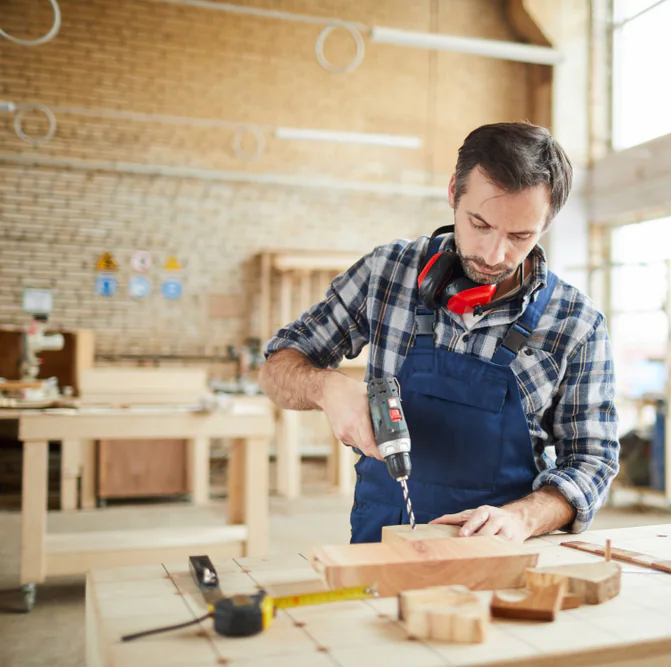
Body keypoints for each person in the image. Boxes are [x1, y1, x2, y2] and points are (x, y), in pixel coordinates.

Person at [258, 121, 619, 544]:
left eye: (520, 236)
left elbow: (593, 461)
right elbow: (275, 369)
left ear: (546, 224)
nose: (493, 254)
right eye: (479, 224)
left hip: (498, 553)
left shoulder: (576, 322)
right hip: (381, 539)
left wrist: (524, 517)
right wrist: (325, 388)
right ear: (453, 192)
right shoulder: (386, 273)